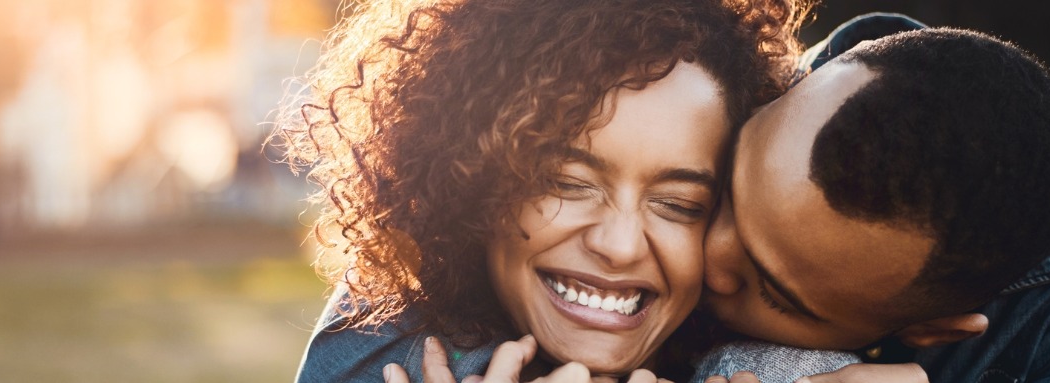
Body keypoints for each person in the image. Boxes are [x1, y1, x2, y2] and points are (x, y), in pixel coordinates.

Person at [272, 0, 840, 381]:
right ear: (472, 175)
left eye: (679, 205)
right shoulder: (388, 355)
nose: (619, 246)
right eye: (567, 182)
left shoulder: (791, 364)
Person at [698, 20, 1050, 382]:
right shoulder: (735, 82)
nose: (706, 258)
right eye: (722, 191)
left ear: (935, 328)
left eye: (772, 293)